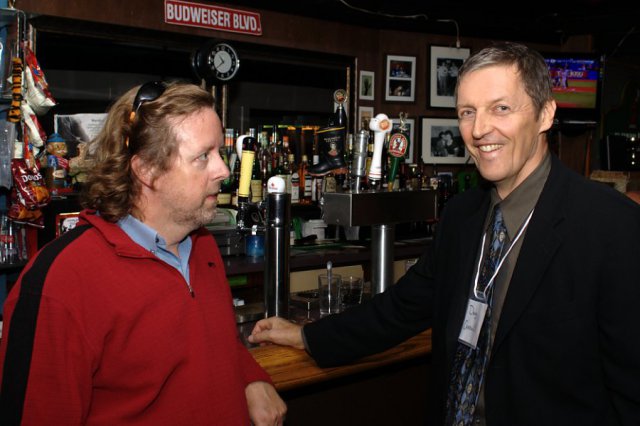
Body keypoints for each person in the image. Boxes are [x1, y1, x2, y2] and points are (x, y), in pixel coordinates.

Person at [249, 42, 640, 425]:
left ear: (545, 115)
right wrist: (307, 337)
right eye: (467, 112)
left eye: (500, 108)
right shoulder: (462, 215)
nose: (480, 129)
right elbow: (401, 309)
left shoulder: (610, 225)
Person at [0, 81, 286, 425]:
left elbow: (208, 341)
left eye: (219, 154)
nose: (223, 171)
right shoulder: (61, 282)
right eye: (202, 157)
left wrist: (249, 376)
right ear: (147, 170)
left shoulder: (200, 244)